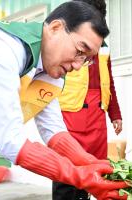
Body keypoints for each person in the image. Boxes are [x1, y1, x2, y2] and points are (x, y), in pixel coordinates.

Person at [0, 1, 128, 200]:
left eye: (86, 59)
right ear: (55, 28)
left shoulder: (51, 72)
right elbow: (10, 141)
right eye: (79, 51)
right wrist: (79, 176)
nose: (78, 66)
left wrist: (90, 162)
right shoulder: (0, 45)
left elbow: (54, 131)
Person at [52, 0, 123, 199]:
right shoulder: (67, 41)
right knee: (67, 171)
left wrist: (115, 114)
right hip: (70, 113)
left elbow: (109, 81)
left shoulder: (103, 47)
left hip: (97, 116)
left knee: (93, 168)